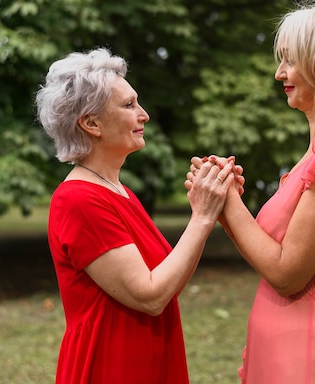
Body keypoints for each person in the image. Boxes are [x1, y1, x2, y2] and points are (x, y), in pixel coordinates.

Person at [189, 0, 315, 383]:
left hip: (311, 352)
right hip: (292, 341)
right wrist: (219, 201)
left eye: (290, 61)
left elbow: (287, 274)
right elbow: (275, 252)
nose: (280, 73)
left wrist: (228, 201)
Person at [35, 47, 236, 384]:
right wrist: (202, 216)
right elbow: (151, 295)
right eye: (129, 105)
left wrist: (212, 204)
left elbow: (169, 284)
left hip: (148, 359)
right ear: (91, 123)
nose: (144, 115)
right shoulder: (79, 199)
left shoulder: (120, 192)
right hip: (111, 367)